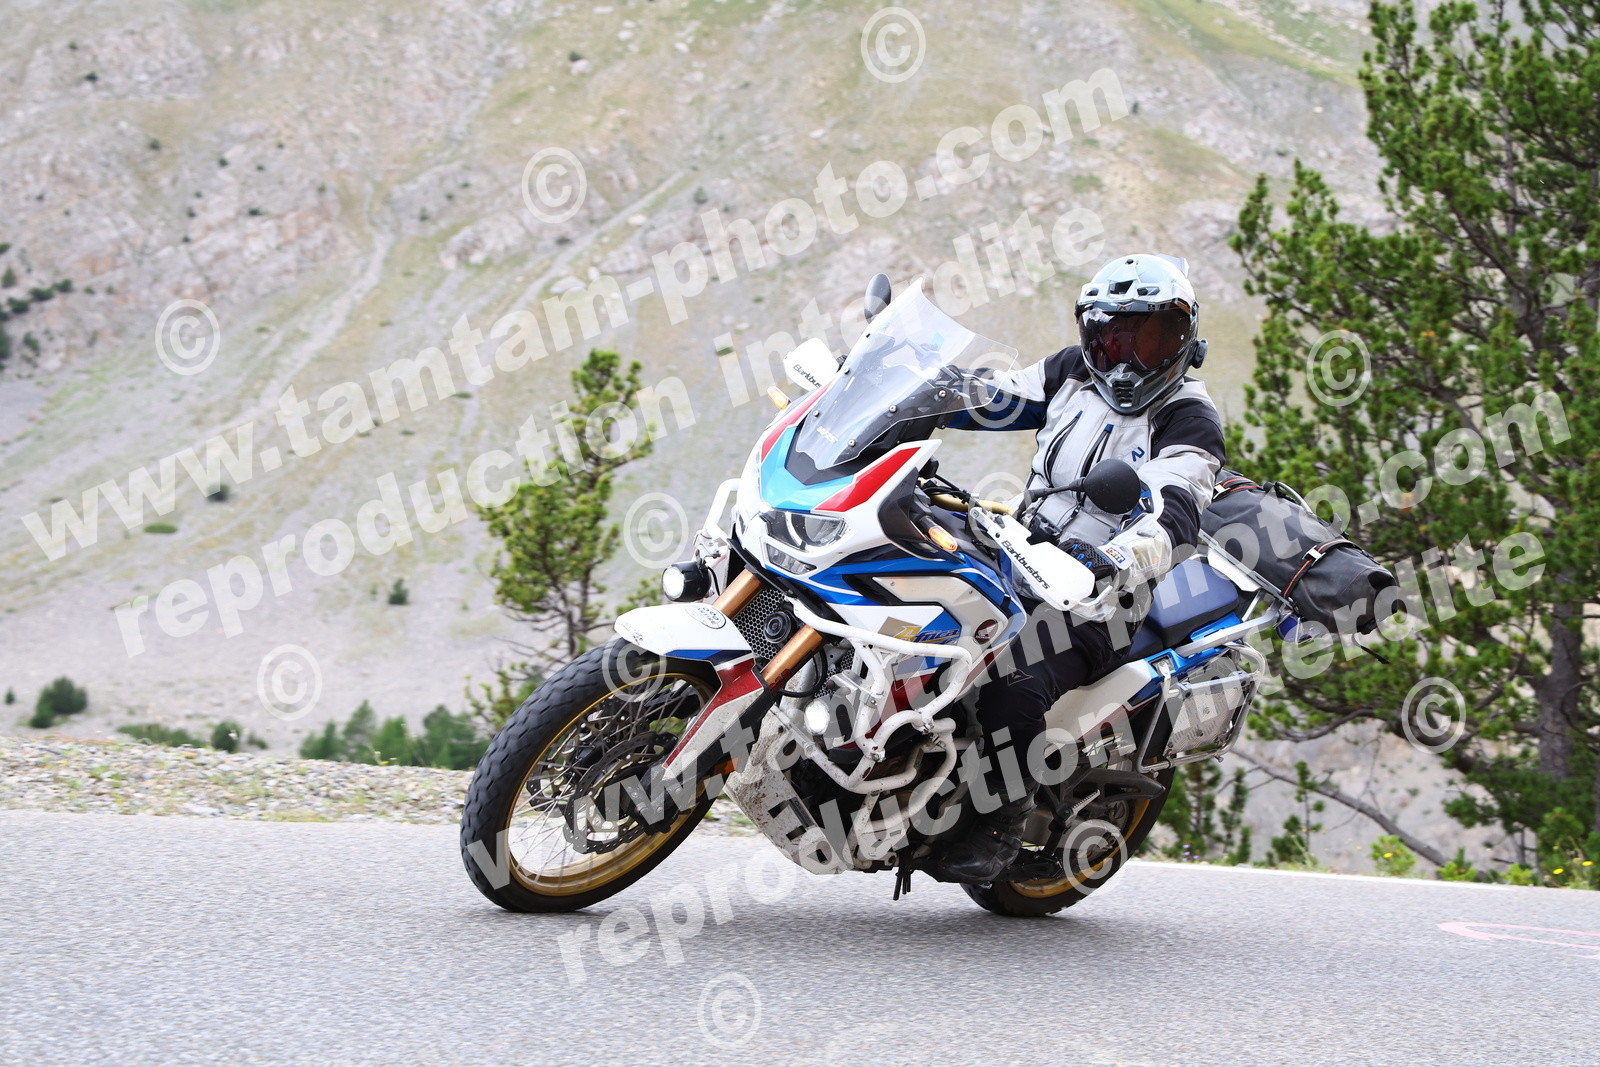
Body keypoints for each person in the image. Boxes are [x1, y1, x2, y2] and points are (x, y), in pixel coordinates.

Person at [930, 253, 1227, 884]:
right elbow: (992, 398)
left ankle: (1001, 818)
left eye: (1149, 341)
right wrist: (909, 388)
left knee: (1011, 676)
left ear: (1183, 341)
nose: (1126, 363)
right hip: (1017, 553)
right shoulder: (1070, 372)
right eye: (1112, 339)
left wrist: (1117, 557)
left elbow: (1175, 511)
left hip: (1099, 599)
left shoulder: (1189, 418)